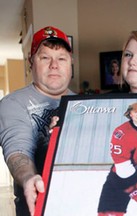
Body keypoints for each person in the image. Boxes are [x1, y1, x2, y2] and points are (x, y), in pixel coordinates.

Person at [0, 26, 74, 216]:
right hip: (35, 208)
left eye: (61, 58)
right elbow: (17, 149)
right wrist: (28, 178)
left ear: (70, 63)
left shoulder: (83, 104)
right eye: (45, 57)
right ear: (30, 63)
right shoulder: (12, 103)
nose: (54, 65)